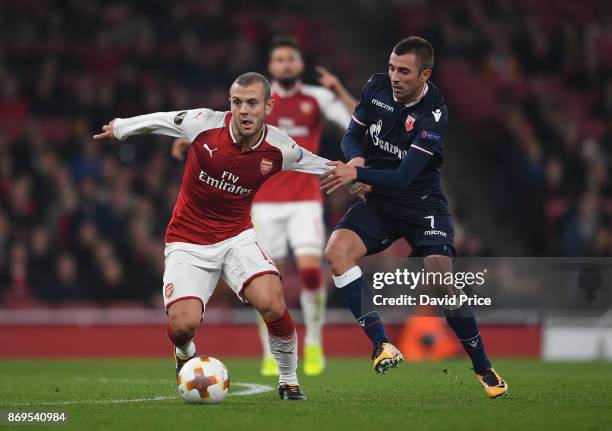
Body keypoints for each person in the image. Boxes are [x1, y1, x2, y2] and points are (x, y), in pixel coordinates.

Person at [93, 72, 334, 401]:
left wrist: (351, 174)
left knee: (273, 303)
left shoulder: (279, 148)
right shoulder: (203, 124)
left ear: (268, 106)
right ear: (230, 104)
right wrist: (121, 127)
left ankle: (289, 380)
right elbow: (162, 120)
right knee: (183, 325)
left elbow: (316, 163)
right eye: (237, 103)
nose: (244, 111)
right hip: (187, 242)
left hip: (237, 238)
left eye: (252, 103)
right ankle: (184, 353)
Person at [319, 36, 509, 398]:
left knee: (440, 282)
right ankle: (382, 345)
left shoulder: (433, 112)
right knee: (336, 252)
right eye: (392, 67)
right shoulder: (375, 86)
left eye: (403, 71)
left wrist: (357, 175)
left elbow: (405, 176)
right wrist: (356, 159)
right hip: (380, 203)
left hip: (422, 205)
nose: (394, 76)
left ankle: (483, 367)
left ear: (425, 75)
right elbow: (351, 136)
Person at [172, 36, 357, 377]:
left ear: (299, 65)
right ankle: (269, 353)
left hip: (304, 200)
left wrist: (339, 90)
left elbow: (354, 123)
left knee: (311, 269)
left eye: (291, 59)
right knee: (269, 282)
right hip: (264, 203)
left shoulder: (316, 98)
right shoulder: (252, 103)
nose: (285, 64)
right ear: (270, 68)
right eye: (279, 60)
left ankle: (314, 341)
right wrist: (189, 144)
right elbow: (217, 135)